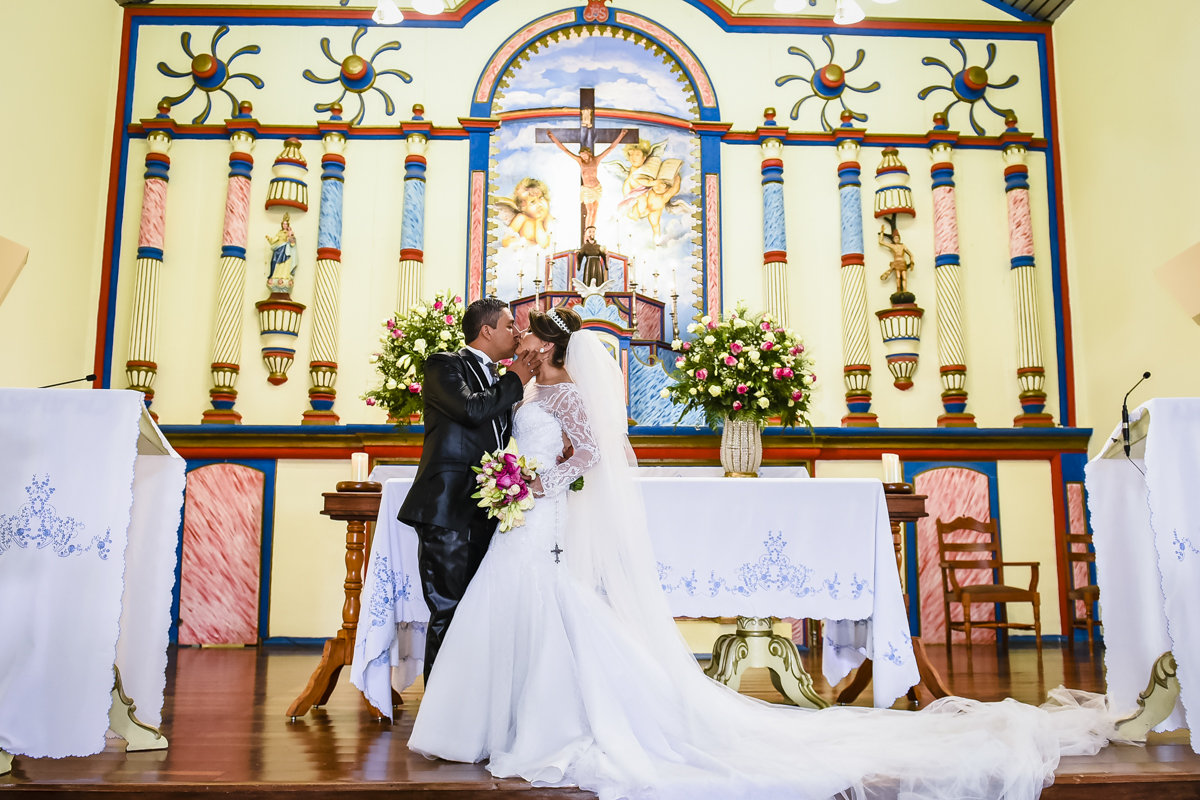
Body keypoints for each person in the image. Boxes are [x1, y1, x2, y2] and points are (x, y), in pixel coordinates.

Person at [410, 305, 1122, 800]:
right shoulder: (525, 387)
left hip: (538, 515)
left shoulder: (562, 394)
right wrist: (517, 480)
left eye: (533, 338)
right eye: (519, 334)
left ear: (554, 350)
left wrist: (536, 482)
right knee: (510, 612)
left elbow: (590, 454)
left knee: (542, 612)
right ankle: (490, 724)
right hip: (522, 520)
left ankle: (533, 724)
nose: (525, 342)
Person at [397, 298, 542, 684]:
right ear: (486, 330)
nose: (517, 333)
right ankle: (440, 717)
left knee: (478, 612)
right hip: (447, 507)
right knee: (449, 609)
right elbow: (470, 410)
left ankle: (470, 709)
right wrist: (515, 378)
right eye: (511, 325)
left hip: (483, 509)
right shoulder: (443, 364)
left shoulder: (499, 378)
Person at [546, 128, 628, 232]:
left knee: (595, 211)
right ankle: (587, 231)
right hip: (587, 189)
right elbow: (565, 150)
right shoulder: (580, 161)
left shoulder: (596, 160)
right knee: (589, 211)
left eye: (584, 156)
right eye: (582, 157)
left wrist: (621, 135)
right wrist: (553, 137)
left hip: (597, 188)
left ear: (588, 153)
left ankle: (593, 231)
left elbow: (610, 148)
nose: (583, 158)